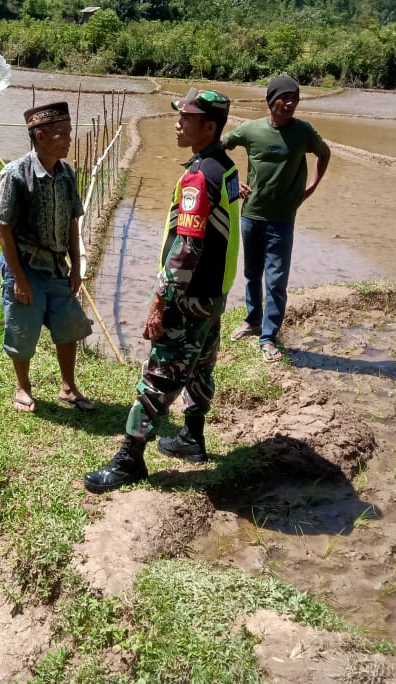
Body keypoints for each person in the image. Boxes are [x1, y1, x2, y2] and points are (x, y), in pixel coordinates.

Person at [84, 89, 241, 493]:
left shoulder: (198, 177)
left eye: (186, 118)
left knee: (158, 378)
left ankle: (130, 459)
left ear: (209, 126)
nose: (178, 122)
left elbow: (187, 248)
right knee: (202, 366)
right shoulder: (224, 167)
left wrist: (160, 301)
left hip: (188, 298)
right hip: (212, 296)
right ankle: (191, 437)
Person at [223, 74, 331, 362]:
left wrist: (312, 188)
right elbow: (218, 149)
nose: (290, 103)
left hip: (282, 220)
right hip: (251, 215)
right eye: (284, 97)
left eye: (295, 98)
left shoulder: (303, 132)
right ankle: (252, 320)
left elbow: (324, 153)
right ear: (271, 100)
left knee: (276, 280)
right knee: (251, 273)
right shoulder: (250, 130)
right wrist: (234, 183)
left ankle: (269, 336)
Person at [0, 101, 94, 413]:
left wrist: (76, 265)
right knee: (22, 329)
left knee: (69, 325)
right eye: (60, 134)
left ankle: (68, 387)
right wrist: (19, 279)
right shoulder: (15, 175)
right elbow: (3, 230)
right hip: (24, 265)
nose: (67, 139)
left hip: (56, 266)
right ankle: (22, 387)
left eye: (69, 132)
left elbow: (72, 222)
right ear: (39, 136)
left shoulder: (67, 174)